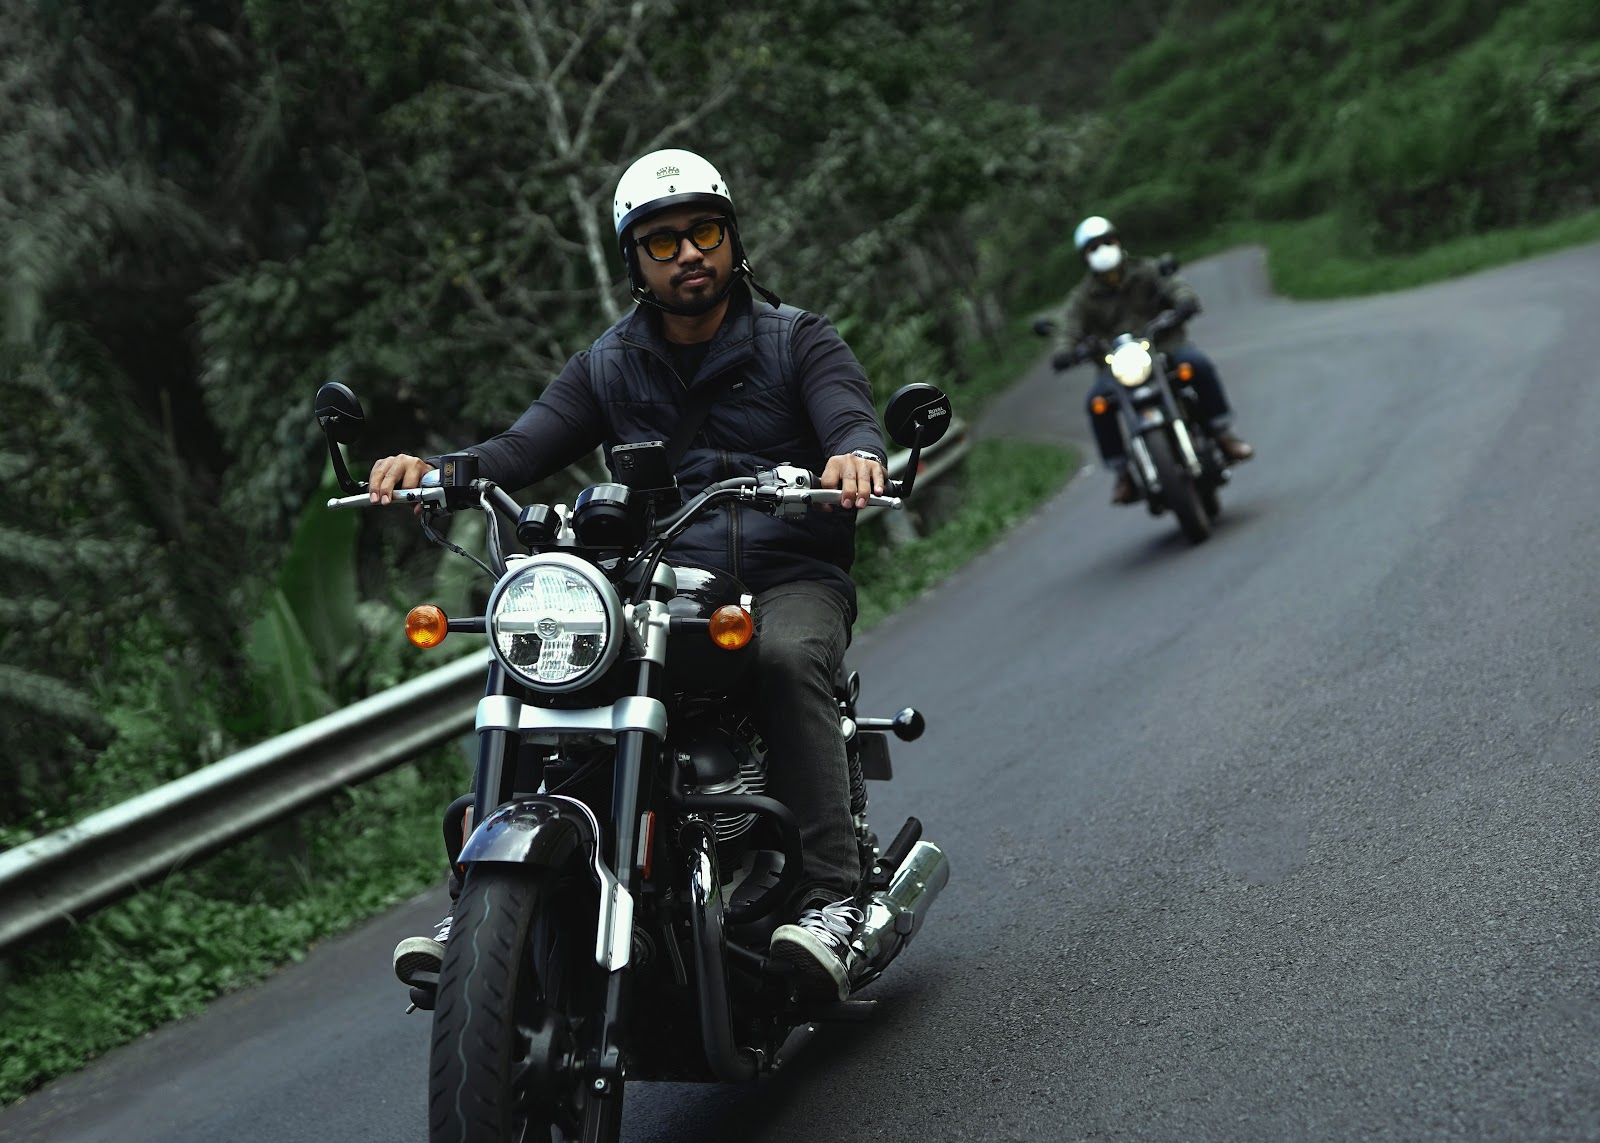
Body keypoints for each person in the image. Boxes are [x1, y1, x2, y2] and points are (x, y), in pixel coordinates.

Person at [369, 148, 890, 1002]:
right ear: (635, 262)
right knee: (537, 657)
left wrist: (856, 455)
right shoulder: (608, 364)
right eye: (662, 242)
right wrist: (437, 468)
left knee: (785, 657)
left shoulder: (799, 338)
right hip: (658, 582)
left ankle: (833, 895)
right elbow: (522, 446)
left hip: (788, 574)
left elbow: (849, 416)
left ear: (732, 239)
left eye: (704, 232)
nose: (688, 254)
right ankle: (479, 902)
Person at [1050, 215, 1254, 504]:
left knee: (1198, 365)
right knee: (1097, 404)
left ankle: (1223, 434)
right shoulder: (1083, 297)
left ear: (1117, 241)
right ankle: (1122, 473)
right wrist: (1064, 352)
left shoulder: (1146, 270)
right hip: (1116, 365)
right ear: (1085, 256)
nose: (1102, 250)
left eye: (1106, 242)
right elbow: (1069, 328)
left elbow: (1175, 286)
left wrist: (1184, 303)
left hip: (1164, 347)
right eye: (1093, 247)